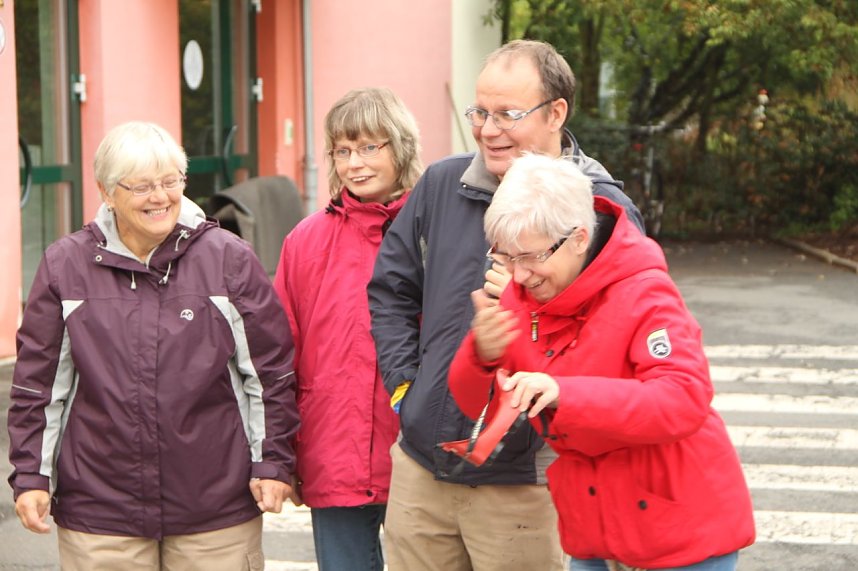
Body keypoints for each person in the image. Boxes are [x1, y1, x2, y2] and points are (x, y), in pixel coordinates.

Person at [367, 39, 644, 571]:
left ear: (556, 113)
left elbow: (619, 345)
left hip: (526, 483)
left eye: (507, 115)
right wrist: (408, 388)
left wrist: (530, 306)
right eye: (481, 112)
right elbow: (390, 290)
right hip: (422, 471)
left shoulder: (603, 209)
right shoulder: (443, 184)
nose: (488, 130)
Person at [7, 121, 299, 570]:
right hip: (100, 510)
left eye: (170, 182)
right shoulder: (66, 265)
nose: (160, 197)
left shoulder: (229, 259)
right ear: (107, 192)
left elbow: (271, 374)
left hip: (215, 507)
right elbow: (39, 387)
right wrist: (31, 476)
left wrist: (273, 463)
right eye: (142, 186)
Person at [448, 153, 755, 571]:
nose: (519, 276)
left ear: (577, 238)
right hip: (594, 529)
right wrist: (479, 356)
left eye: (532, 256)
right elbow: (480, 409)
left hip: (678, 530)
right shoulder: (522, 300)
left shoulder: (645, 291)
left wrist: (564, 394)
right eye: (506, 258)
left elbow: (682, 399)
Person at [273, 87, 423, 571]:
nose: (354, 163)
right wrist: (281, 452)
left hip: (419, 453)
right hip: (332, 447)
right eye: (342, 150)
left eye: (369, 147)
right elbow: (279, 354)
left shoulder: (435, 230)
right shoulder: (306, 240)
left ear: (400, 147)